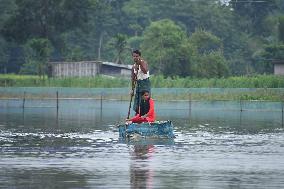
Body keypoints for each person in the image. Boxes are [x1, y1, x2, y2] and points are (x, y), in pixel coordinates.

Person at [131, 49, 151, 114]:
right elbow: (133, 79)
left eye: (137, 56)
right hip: (138, 85)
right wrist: (132, 90)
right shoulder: (133, 66)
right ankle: (137, 117)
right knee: (137, 102)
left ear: (139, 57)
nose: (135, 58)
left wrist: (140, 64)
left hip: (145, 84)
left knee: (144, 101)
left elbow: (145, 71)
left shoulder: (143, 62)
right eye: (134, 56)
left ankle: (145, 117)